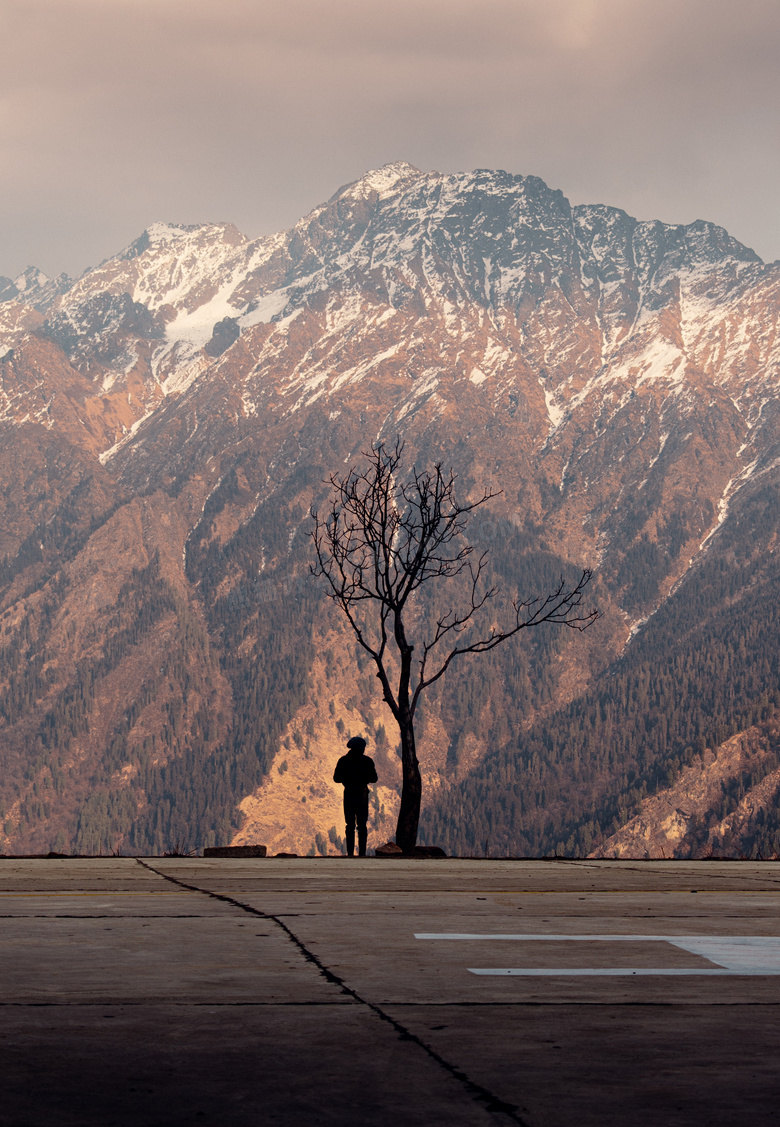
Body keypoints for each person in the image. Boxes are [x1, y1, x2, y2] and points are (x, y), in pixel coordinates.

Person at [333, 735, 378, 857]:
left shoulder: (343, 761)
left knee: (350, 825)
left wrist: (347, 779)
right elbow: (374, 778)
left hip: (348, 794)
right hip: (362, 794)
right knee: (362, 825)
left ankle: (350, 854)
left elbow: (336, 779)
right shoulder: (367, 761)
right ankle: (362, 853)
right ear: (361, 748)